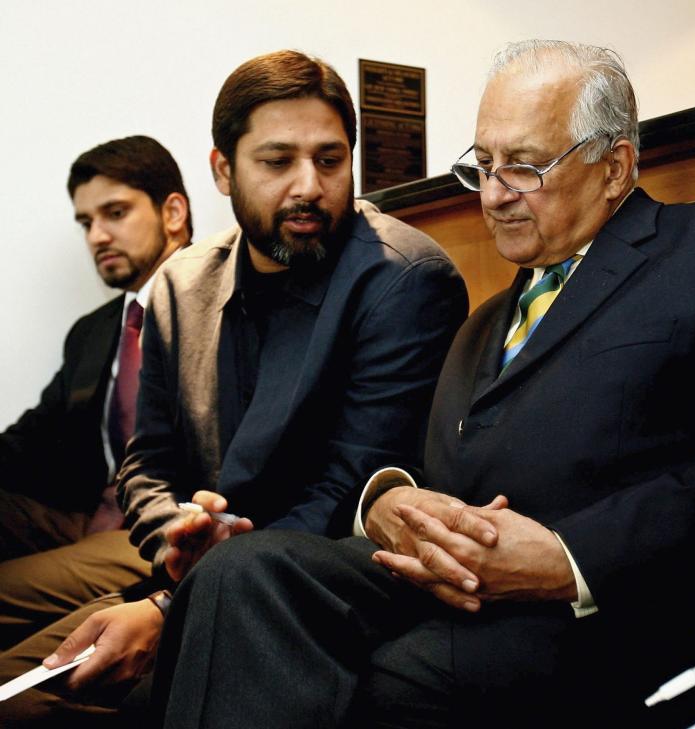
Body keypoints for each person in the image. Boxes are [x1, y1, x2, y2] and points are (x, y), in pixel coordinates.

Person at [150, 39, 695, 729]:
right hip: (458, 586)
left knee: (398, 678)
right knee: (238, 573)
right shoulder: (484, 322)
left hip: (603, 602)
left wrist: (566, 558)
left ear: (614, 167)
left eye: (523, 168)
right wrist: (385, 500)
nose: (493, 195)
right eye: (483, 165)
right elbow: (434, 472)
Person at [0, 50, 467, 725]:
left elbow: (353, 487)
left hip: (298, 587)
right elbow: (146, 460)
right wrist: (175, 534)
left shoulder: (402, 279)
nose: (308, 184)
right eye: (278, 161)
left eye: (330, 160)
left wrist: (177, 600)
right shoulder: (181, 285)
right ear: (223, 170)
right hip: (185, 570)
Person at [0, 135, 191, 654]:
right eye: (86, 222)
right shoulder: (96, 330)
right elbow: (31, 439)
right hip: (82, 514)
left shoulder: (221, 306)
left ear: (173, 212)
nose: (97, 236)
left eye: (115, 212)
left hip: (157, 528)